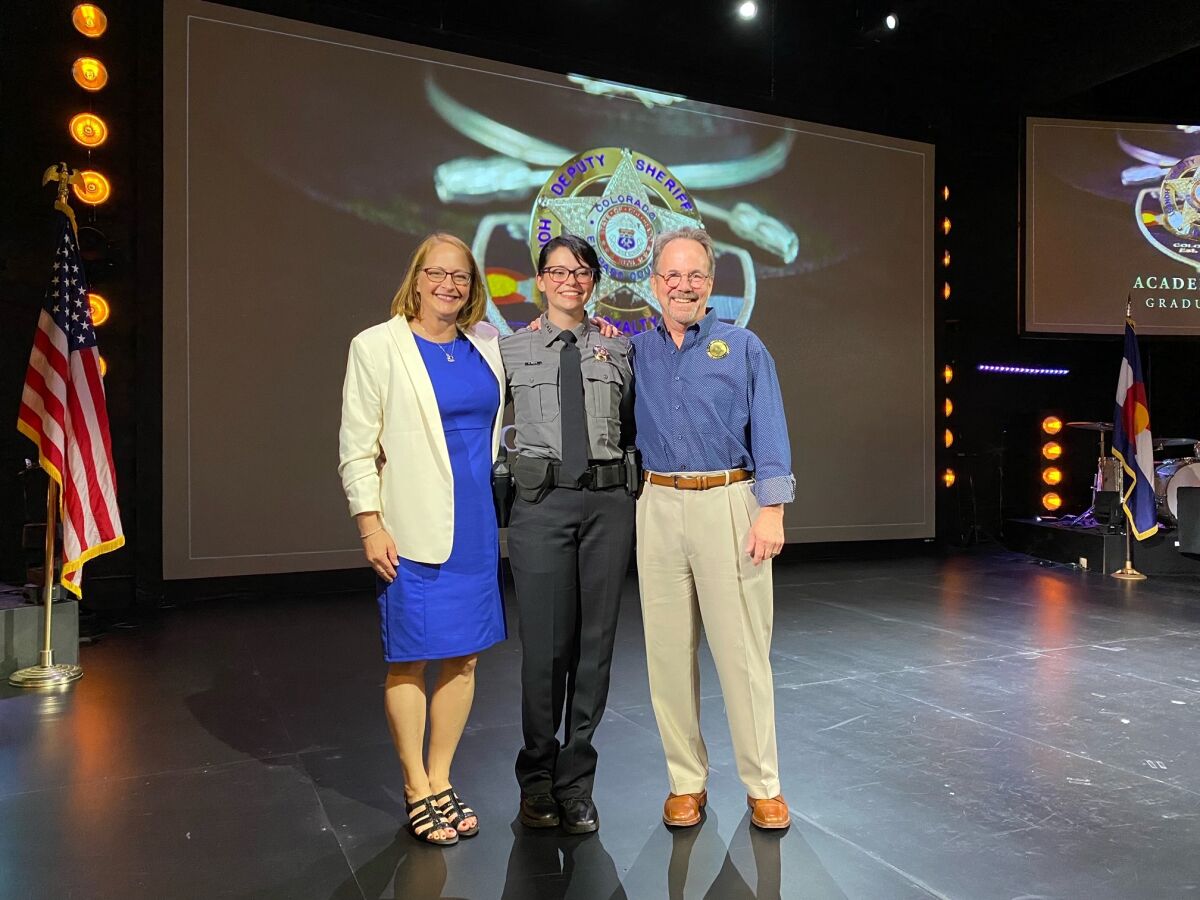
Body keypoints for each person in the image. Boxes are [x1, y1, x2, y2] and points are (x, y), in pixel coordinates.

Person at [338, 233, 507, 846]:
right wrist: (370, 524)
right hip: (408, 528)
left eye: (460, 277)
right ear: (416, 279)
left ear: (473, 287)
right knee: (409, 656)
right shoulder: (378, 346)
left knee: (463, 657)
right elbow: (356, 448)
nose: (449, 285)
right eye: (437, 274)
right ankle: (414, 784)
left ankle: (441, 777)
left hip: (476, 526)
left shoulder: (485, 344)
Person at [631, 226, 795, 830]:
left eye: (693, 274)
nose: (682, 285)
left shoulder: (744, 346)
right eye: (671, 275)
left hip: (730, 502)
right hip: (659, 504)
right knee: (667, 655)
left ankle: (764, 785)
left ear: (710, 283)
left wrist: (771, 508)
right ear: (654, 284)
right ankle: (685, 781)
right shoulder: (637, 352)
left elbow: (770, 428)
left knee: (742, 655)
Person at [500, 234, 637, 835]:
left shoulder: (621, 349)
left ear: (595, 282)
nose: (571, 281)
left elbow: (634, 425)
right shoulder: (508, 350)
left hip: (607, 505)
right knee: (546, 651)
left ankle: (576, 784)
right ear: (540, 279)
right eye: (559, 271)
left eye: (583, 272)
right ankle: (536, 779)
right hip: (541, 506)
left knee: (594, 650)